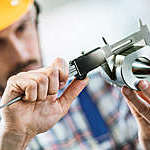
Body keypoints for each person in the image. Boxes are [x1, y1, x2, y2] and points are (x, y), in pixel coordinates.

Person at [0, 0, 150, 150]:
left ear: (35, 21)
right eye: (0, 43)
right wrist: (13, 141)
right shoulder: (8, 139)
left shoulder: (107, 87)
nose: (20, 54)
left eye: (22, 28)